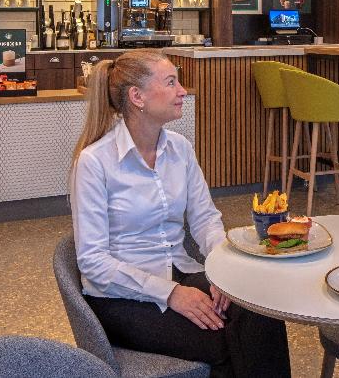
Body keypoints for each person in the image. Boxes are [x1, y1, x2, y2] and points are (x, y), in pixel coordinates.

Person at [70, 50, 290, 377]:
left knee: (260, 308)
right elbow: (93, 262)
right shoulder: (94, 162)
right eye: (171, 82)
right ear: (137, 97)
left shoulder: (180, 148)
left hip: (178, 271)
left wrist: (222, 272)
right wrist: (170, 293)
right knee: (228, 340)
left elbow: (205, 219)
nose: (183, 91)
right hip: (120, 296)